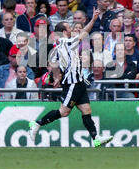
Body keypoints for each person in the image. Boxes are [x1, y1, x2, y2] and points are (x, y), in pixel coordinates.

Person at [28, 8, 114, 147]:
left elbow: (53, 63)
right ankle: (37, 124)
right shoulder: (67, 42)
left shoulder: (58, 46)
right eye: (68, 27)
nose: (71, 28)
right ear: (63, 31)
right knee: (64, 112)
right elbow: (84, 33)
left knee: (86, 110)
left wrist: (57, 77)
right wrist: (93, 19)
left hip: (78, 83)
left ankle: (96, 138)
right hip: (73, 83)